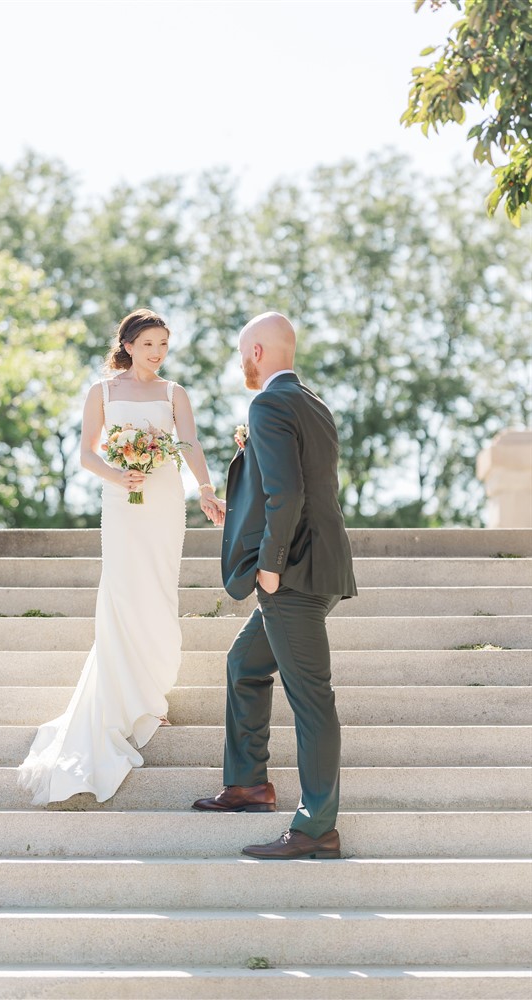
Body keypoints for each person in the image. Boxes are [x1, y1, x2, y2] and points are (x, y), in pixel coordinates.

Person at [18, 309, 225, 805]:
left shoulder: (175, 393)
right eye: (149, 343)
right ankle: (128, 698)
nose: (157, 353)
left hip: (164, 500)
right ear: (129, 344)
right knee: (123, 590)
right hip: (122, 500)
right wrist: (119, 475)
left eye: (164, 345)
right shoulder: (102, 392)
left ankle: (151, 699)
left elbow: (189, 442)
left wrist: (205, 487)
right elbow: (88, 454)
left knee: (157, 589)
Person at [193, 311, 357, 859]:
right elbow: (295, 484)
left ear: (258, 352)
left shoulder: (268, 403)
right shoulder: (314, 403)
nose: (242, 361)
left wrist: (270, 564)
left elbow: (286, 495)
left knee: (311, 700)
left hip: (292, 573)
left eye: (244, 351)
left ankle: (316, 828)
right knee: (245, 664)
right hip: (323, 567)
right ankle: (249, 785)